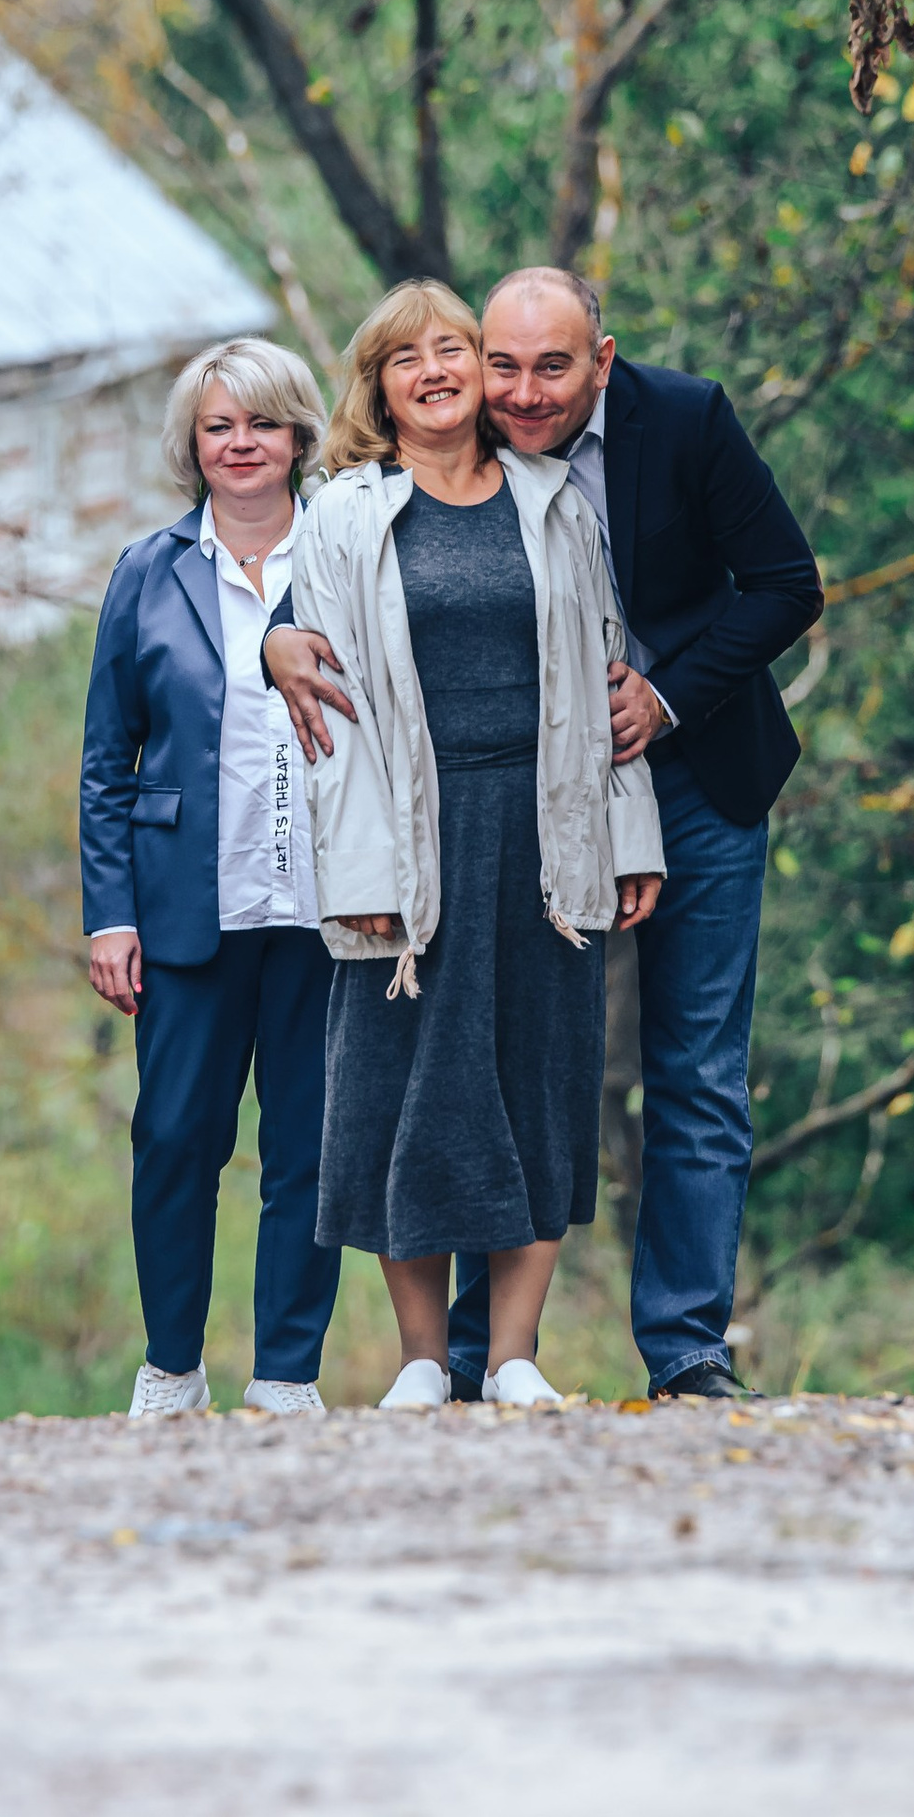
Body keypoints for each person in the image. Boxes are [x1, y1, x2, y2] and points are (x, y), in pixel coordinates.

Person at [268, 267, 820, 1401]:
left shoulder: (683, 422)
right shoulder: (419, 475)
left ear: (599, 364)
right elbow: (352, 586)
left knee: (687, 1070)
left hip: (692, 768)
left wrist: (664, 697)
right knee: (470, 1053)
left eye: (550, 370)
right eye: (502, 365)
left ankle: (685, 1348)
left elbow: (784, 584)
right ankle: (469, 1356)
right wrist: (274, 635)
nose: (523, 393)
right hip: (498, 797)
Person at [287, 278, 664, 1410]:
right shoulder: (342, 515)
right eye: (406, 357)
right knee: (398, 1087)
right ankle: (419, 1359)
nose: (435, 371)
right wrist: (358, 872)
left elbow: (603, 677)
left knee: (539, 1076)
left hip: (544, 829)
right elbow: (330, 724)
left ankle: (511, 1359)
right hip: (407, 835)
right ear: (379, 386)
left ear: (482, 368)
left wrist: (631, 836)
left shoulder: (557, 502)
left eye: (453, 349)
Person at [79, 336, 342, 1419]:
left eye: (262, 423)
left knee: (307, 1148)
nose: (241, 444)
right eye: (219, 426)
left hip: (327, 905)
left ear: (299, 436)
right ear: (192, 445)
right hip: (188, 906)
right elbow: (107, 759)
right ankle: (171, 1367)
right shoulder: (148, 571)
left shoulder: (344, 553)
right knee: (177, 1140)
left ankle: (286, 1374)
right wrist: (109, 916)